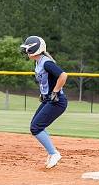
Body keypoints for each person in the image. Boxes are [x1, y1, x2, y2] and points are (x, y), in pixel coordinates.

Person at [20, 36, 68, 168]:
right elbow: (46, 81)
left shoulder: (46, 62)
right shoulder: (38, 62)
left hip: (57, 101)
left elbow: (63, 75)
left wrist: (55, 91)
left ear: (35, 49)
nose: (26, 51)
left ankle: (54, 153)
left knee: (36, 127)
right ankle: (52, 152)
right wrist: (44, 93)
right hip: (49, 99)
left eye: (28, 48)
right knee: (36, 126)